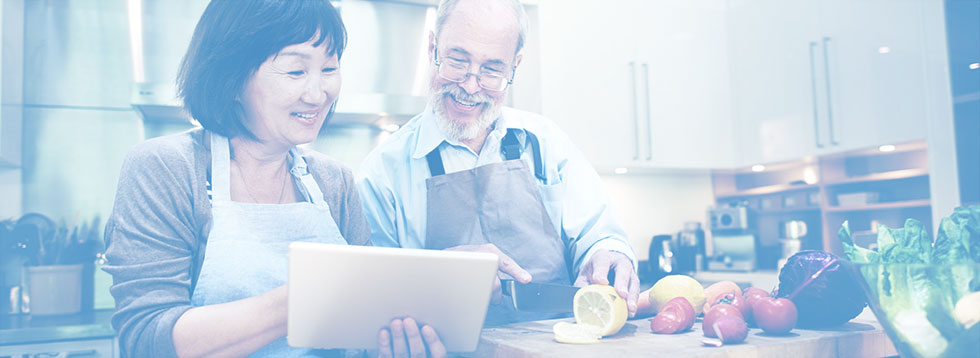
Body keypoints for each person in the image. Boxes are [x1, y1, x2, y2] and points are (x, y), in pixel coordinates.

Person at [102, 1, 444, 357]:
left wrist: (417, 311)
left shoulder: (334, 182)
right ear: (231, 78)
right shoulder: (166, 169)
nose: (318, 93)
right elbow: (146, 340)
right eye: (295, 72)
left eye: (329, 68)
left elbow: (362, 326)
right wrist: (302, 302)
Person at [357, 0, 641, 324]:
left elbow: (599, 234)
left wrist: (608, 254)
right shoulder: (382, 174)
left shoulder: (546, 143)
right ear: (433, 47)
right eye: (457, 60)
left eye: (491, 70)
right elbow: (372, 301)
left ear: (514, 67)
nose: (469, 85)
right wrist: (434, 273)